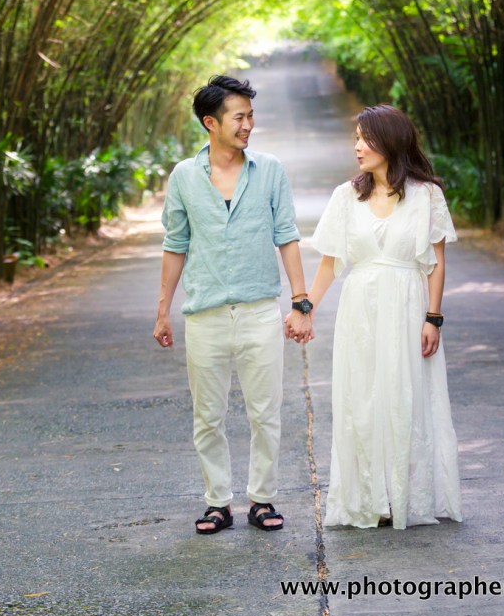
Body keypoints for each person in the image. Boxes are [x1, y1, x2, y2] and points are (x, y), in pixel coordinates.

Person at [285, 104, 463, 529]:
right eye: (356, 138)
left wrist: (432, 318)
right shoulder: (347, 196)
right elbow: (330, 265)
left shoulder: (427, 196)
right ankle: (371, 498)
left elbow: (435, 264)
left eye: (365, 138)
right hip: (360, 313)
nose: (357, 146)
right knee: (363, 402)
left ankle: (407, 496)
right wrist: (305, 308)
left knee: (405, 398)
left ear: (390, 141)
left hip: (406, 309)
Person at [153, 75, 310, 535]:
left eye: (250, 115)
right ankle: (217, 503)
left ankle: (262, 499)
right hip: (205, 314)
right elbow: (175, 244)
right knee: (208, 416)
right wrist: (163, 310)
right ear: (211, 123)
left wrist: (301, 301)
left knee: (266, 412)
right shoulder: (184, 176)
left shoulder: (270, 170)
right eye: (239, 117)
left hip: (260, 308)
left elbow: (287, 235)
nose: (248, 125)